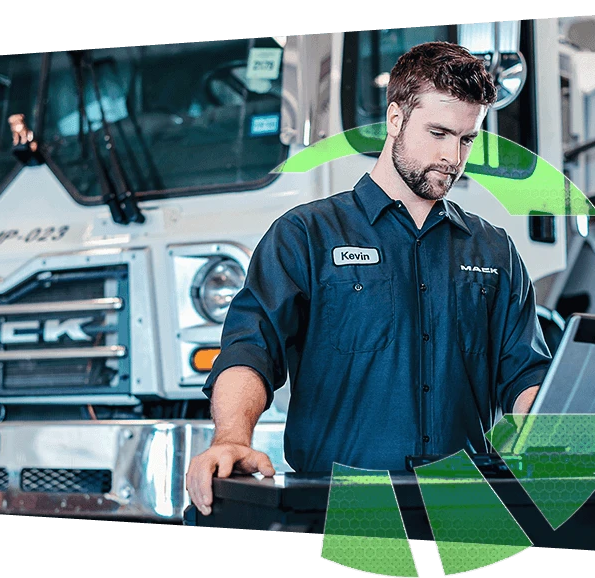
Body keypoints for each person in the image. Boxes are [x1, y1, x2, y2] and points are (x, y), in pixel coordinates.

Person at [187, 41, 552, 515]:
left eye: (466, 139)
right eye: (438, 133)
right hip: (350, 504)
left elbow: (525, 374)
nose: (451, 156)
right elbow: (251, 350)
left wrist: (559, 438)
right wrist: (232, 439)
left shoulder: (494, 249)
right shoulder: (306, 234)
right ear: (395, 119)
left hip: (468, 509)